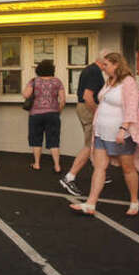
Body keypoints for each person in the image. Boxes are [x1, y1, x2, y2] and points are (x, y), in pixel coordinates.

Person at [70, 52, 139, 215]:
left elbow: (132, 108)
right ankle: (91, 203)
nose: (103, 68)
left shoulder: (128, 82)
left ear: (116, 65)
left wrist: (124, 128)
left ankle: (134, 201)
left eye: (106, 65)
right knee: (99, 168)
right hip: (101, 133)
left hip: (120, 135)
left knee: (128, 168)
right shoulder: (110, 81)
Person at [59, 49, 110, 196]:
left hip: (83, 108)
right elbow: (88, 97)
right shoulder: (94, 72)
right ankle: (69, 177)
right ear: (104, 60)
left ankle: (100, 172)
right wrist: (98, 113)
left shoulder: (90, 69)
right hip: (88, 108)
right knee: (90, 144)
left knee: (94, 144)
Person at [22, 59, 65, 172]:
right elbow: (63, 100)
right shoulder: (57, 82)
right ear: (52, 70)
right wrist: (58, 111)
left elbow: (26, 95)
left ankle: (37, 164)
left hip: (36, 114)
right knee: (54, 140)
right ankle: (57, 166)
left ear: (38, 70)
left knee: (36, 139)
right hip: (53, 114)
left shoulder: (34, 81)